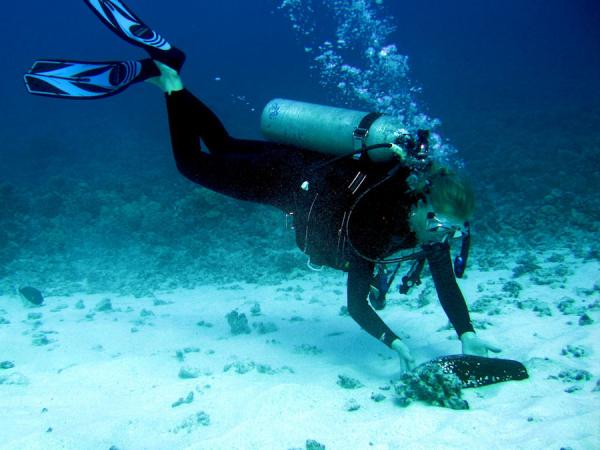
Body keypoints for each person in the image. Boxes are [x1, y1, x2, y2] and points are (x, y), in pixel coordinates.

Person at [24, 0, 501, 374]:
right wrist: (394, 344)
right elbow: (356, 306)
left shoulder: (425, 221)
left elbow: (446, 283)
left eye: (451, 230)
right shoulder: (376, 224)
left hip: (300, 161)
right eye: (439, 223)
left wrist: (468, 334)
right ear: (421, 200)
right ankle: (168, 80)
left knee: (223, 143)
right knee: (192, 164)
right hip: (280, 180)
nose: (441, 235)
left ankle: (169, 73)